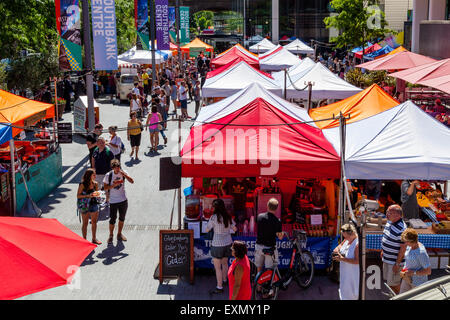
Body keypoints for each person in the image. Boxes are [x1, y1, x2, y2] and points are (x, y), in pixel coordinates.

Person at [206, 199, 237, 295]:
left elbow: (207, 230)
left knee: (217, 267)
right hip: (228, 243)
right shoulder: (228, 216)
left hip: (217, 244)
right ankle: (225, 279)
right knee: (225, 263)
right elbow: (235, 229)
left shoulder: (213, 217)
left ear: (215, 208)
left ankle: (219, 287)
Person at [103, 159, 134, 244]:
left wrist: (125, 175)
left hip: (123, 200)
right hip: (113, 200)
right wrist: (113, 185)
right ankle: (111, 235)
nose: (117, 169)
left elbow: (132, 181)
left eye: (118, 167)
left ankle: (119, 234)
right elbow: (105, 187)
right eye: (116, 168)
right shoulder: (108, 175)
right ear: (112, 168)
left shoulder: (123, 173)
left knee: (122, 218)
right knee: (112, 219)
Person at [381, 204, 407, 295]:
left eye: (389, 213)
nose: (386, 214)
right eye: (387, 212)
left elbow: (403, 248)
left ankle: (401, 297)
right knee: (389, 282)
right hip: (387, 259)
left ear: (398, 215)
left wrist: (397, 264)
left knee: (394, 284)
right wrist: (383, 250)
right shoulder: (389, 222)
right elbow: (386, 236)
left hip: (394, 263)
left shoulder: (402, 229)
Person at [255, 198, 284, 274]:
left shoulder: (259, 217)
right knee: (270, 269)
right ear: (276, 208)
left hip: (259, 246)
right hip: (270, 248)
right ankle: (268, 284)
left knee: (259, 267)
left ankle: (259, 285)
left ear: (267, 206)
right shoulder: (277, 221)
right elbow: (280, 237)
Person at [399, 228, 432, 294]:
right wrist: (404, 270)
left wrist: (413, 273)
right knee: (402, 296)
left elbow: (428, 271)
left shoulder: (421, 253)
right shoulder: (410, 246)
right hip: (407, 278)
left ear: (412, 241)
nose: (405, 243)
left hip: (418, 283)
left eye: (406, 241)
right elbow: (408, 260)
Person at [332, 224, 359, 300]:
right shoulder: (347, 239)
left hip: (353, 276)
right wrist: (336, 250)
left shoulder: (357, 244)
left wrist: (342, 259)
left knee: (352, 295)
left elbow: (357, 261)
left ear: (352, 234)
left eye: (346, 236)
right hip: (345, 275)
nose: (345, 238)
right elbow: (340, 246)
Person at [77, 168, 102, 245]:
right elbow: (78, 196)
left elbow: (97, 194)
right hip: (84, 205)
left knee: (94, 222)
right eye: (93, 174)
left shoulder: (95, 184)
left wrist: (99, 195)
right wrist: (88, 196)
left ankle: (94, 238)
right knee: (85, 223)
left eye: (95, 174)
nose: (95, 176)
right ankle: (84, 240)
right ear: (89, 175)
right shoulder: (82, 184)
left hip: (94, 204)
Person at [91, 137, 114, 202]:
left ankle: (107, 200)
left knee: (106, 188)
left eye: (103, 142)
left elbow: (113, 162)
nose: (102, 144)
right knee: (97, 187)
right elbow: (93, 158)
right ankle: (98, 199)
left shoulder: (108, 152)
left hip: (105, 174)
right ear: (97, 144)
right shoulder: (96, 150)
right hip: (97, 173)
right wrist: (93, 168)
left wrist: (112, 173)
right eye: (100, 142)